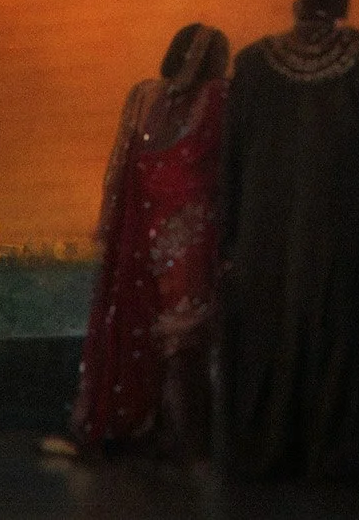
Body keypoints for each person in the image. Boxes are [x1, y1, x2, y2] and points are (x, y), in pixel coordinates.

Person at [219, 0, 359, 480]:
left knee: (267, 334)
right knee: (337, 331)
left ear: (298, 4)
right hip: (340, 228)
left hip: (264, 230)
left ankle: (266, 450)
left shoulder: (253, 62)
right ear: (344, 9)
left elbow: (232, 157)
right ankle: (334, 454)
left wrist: (229, 234)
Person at [70, 23, 230, 459]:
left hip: (139, 239)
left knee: (146, 334)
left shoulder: (143, 96)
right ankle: (192, 443)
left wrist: (110, 225)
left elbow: (120, 168)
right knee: (185, 342)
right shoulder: (218, 98)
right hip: (189, 241)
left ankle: (146, 428)